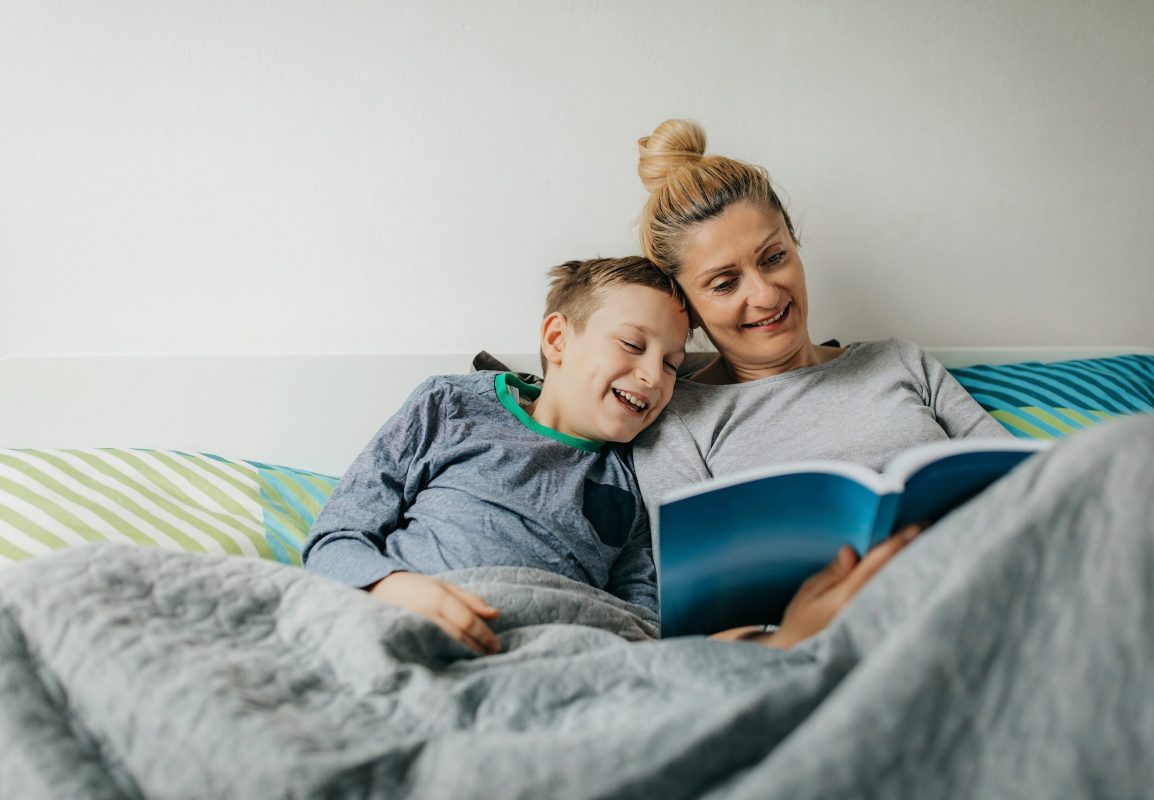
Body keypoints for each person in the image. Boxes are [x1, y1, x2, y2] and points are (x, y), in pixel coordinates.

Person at [629, 119, 1021, 643]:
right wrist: (792, 637)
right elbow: (699, 632)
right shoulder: (676, 422)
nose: (766, 295)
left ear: (796, 245)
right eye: (725, 283)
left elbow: (1032, 488)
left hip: (984, 606)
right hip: (828, 657)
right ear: (687, 308)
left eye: (775, 258)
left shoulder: (900, 362)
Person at [301, 256, 689, 655]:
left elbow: (640, 615)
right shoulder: (451, 405)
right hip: (414, 617)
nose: (653, 376)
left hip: (547, 649)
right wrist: (391, 586)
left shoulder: (635, 473)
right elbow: (332, 543)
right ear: (558, 340)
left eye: (671, 364)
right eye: (632, 345)